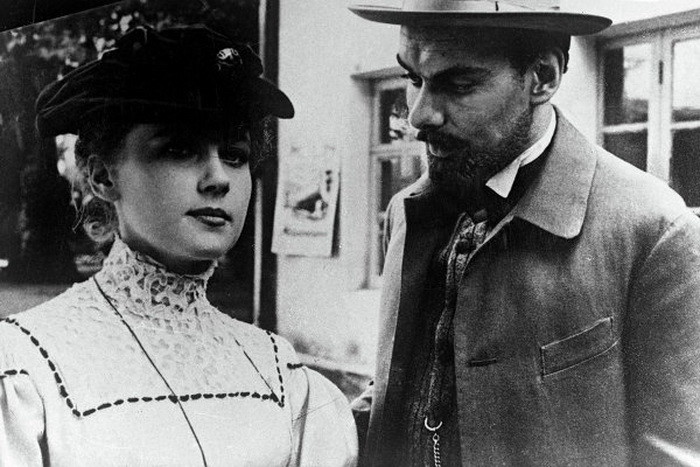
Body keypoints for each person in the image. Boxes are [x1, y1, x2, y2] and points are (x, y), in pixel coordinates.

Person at [349, 1, 700, 465]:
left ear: (543, 77)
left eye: (458, 84)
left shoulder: (656, 233)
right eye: (413, 78)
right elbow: (407, 388)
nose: (418, 115)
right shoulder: (406, 212)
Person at [0, 25, 357, 466]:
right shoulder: (29, 366)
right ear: (102, 176)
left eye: (235, 155)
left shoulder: (277, 372)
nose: (219, 178)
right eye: (180, 150)